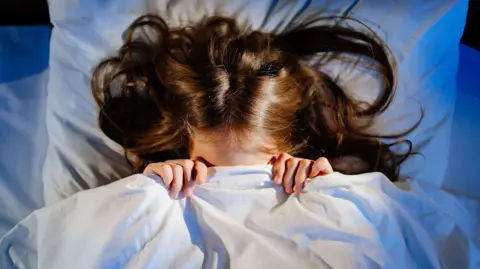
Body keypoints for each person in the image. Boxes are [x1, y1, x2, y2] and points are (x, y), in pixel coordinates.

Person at [91, 15, 417, 198]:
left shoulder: (323, 177)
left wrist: (332, 184)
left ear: (291, 150)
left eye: (267, 165)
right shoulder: (167, 179)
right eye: (206, 163)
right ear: (184, 149)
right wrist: (148, 182)